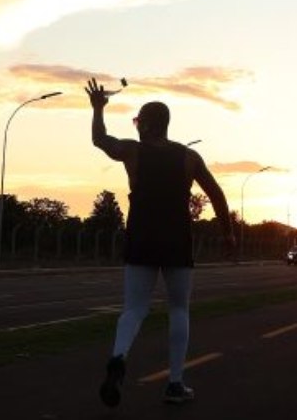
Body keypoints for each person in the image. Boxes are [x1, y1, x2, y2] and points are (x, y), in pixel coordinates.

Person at [85, 78, 235, 407]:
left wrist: (97, 109)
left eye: (138, 121)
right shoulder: (189, 157)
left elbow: (99, 139)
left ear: (147, 124)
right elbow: (216, 194)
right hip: (176, 239)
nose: (136, 126)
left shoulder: (132, 151)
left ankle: (118, 359)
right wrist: (227, 233)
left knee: (134, 309)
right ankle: (175, 383)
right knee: (179, 308)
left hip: (140, 235)